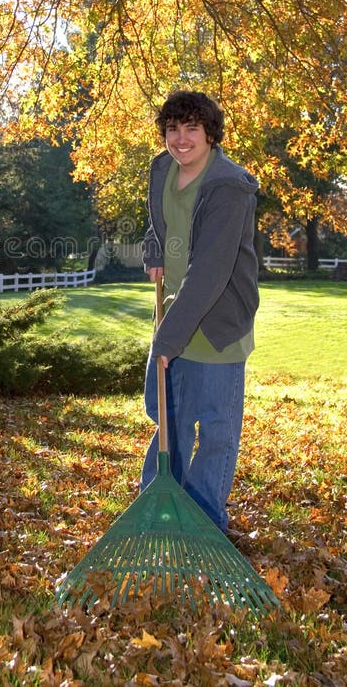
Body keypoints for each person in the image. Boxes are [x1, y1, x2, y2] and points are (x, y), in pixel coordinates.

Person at [141, 89, 259, 533]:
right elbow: (160, 219)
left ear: (211, 133)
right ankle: (156, 511)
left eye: (192, 128)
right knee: (168, 422)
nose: (181, 138)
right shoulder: (161, 169)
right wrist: (154, 246)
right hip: (174, 311)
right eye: (173, 128)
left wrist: (167, 340)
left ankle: (206, 522)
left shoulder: (229, 187)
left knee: (215, 431)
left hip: (218, 321)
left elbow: (210, 271)